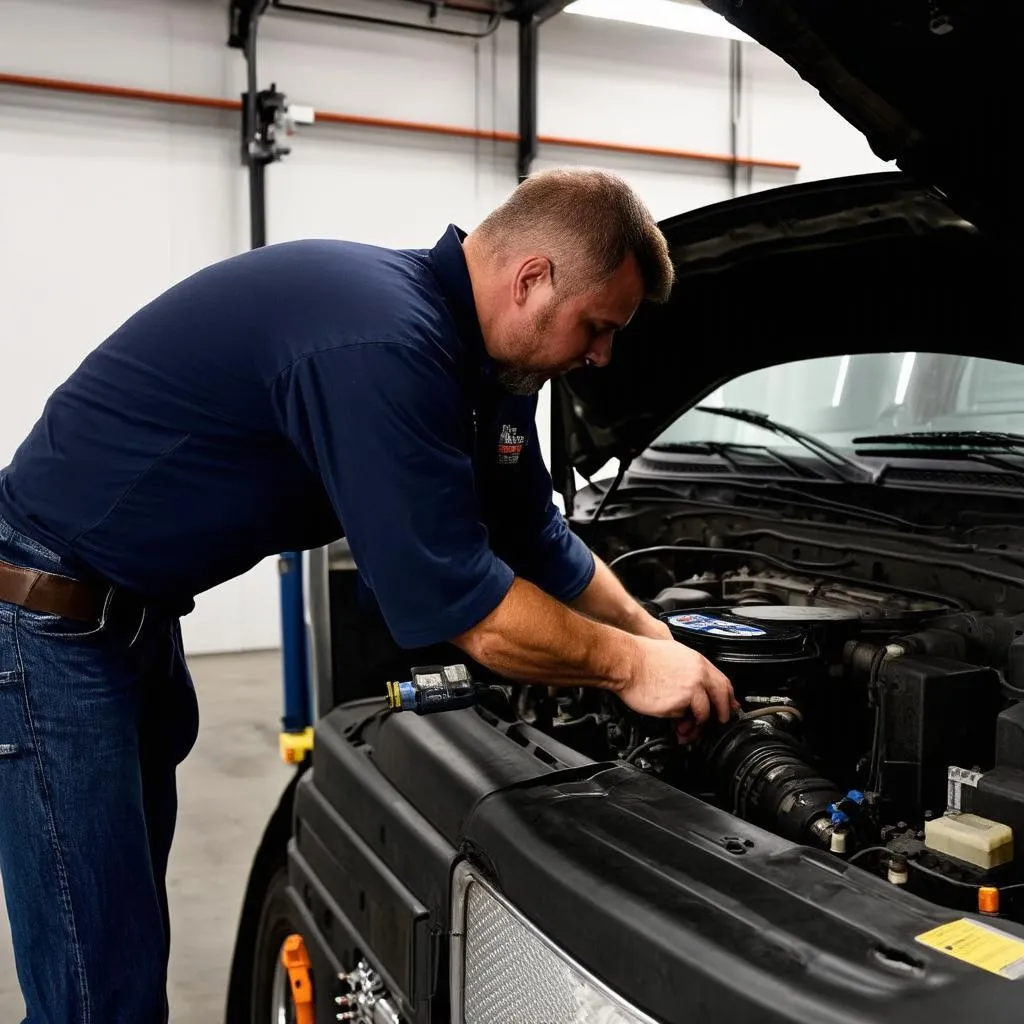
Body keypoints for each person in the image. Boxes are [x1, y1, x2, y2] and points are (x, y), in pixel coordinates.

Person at [0, 166, 736, 1023]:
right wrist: (626, 669)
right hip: (47, 620)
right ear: (532, 279)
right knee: (99, 989)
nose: (602, 354)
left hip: (129, 619)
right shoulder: (385, 343)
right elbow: (470, 609)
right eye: (598, 327)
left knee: (123, 937)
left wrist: (657, 638)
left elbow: (538, 538)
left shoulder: (487, 374)